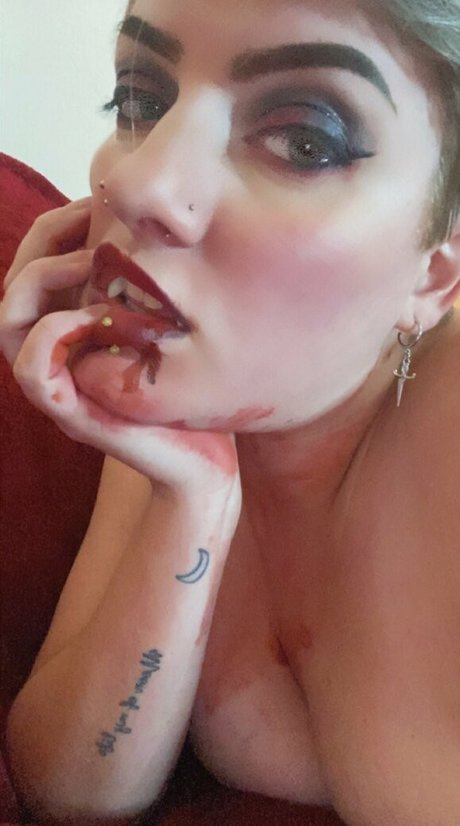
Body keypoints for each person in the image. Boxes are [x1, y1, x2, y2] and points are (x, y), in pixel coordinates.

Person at [1, 0, 459, 823]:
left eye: (305, 140)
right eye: (141, 99)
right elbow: (68, 789)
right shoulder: (196, 390)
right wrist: (193, 501)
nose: (134, 182)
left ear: (435, 275)